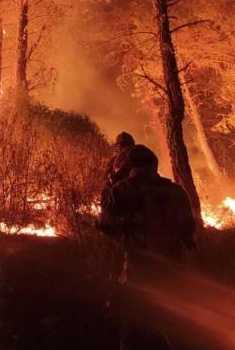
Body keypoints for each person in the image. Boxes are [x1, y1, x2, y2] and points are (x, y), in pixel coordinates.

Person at [101, 144, 195, 350]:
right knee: (174, 332)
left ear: (129, 166)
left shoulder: (122, 189)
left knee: (132, 332)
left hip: (138, 273)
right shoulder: (176, 191)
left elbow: (107, 226)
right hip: (174, 274)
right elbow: (188, 232)